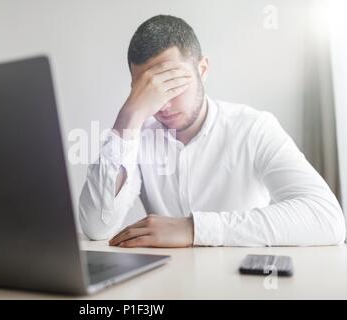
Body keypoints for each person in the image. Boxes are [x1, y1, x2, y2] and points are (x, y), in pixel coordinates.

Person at [78, 15, 346, 247]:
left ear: (202, 69)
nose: (164, 103)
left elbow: (326, 217)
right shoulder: (137, 135)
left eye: (172, 83)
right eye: (149, 90)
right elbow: (96, 227)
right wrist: (128, 117)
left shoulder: (253, 128)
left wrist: (193, 229)